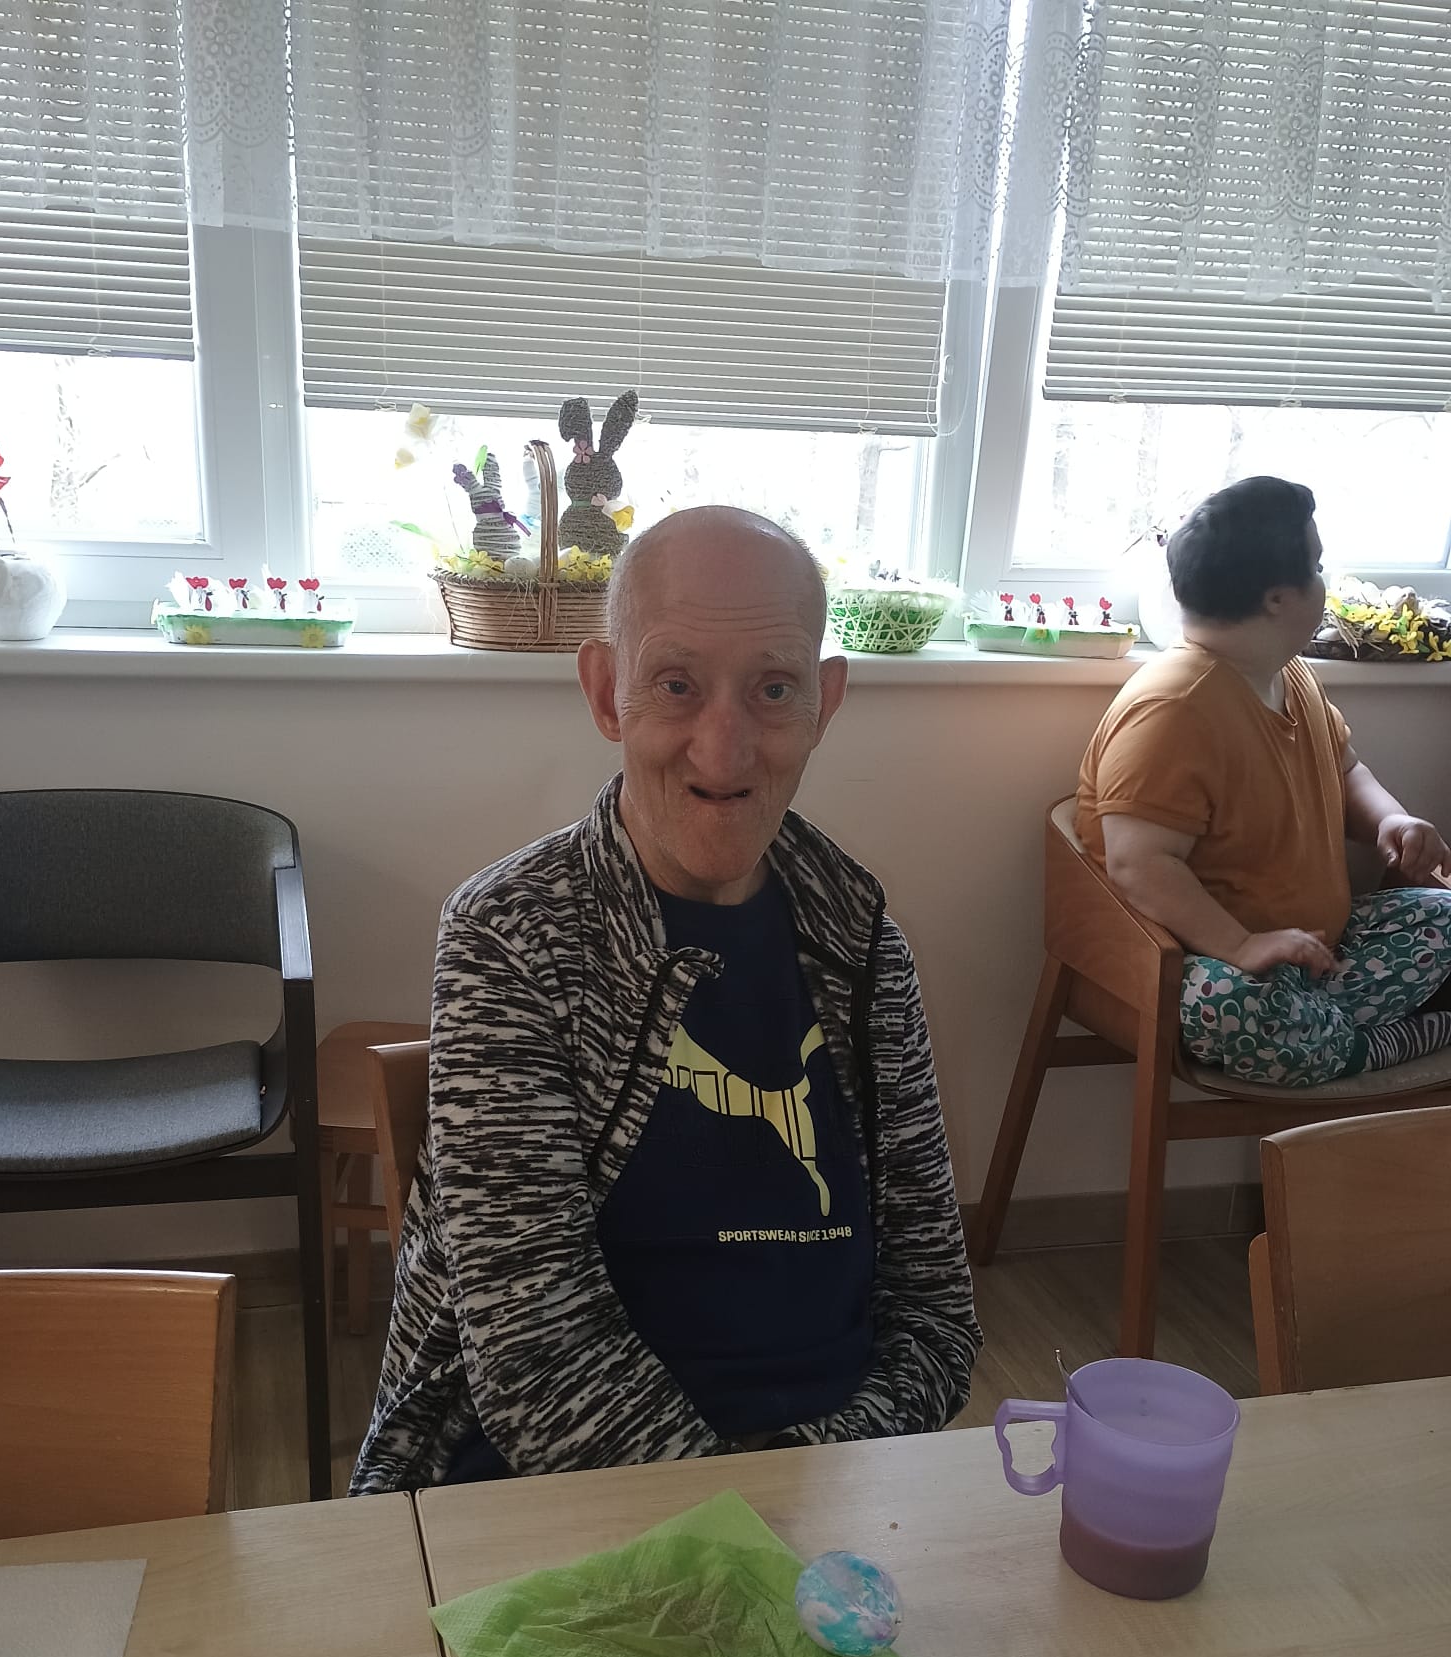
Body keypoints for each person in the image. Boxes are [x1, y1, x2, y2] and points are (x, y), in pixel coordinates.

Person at [352, 506, 980, 1491]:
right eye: (677, 684)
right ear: (608, 692)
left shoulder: (863, 949)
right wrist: (740, 1518)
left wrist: (815, 1479)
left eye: (774, 689)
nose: (724, 753)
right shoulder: (511, 935)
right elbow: (537, 1363)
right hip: (564, 1493)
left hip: (831, 1486)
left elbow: (935, 1313)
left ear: (824, 703)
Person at [1078, 475, 1451, 1087]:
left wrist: (1391, 819)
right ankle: (1371, 1043)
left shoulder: (1290, 674)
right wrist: (1242, 946)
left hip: (1319, 950)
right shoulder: (1175, 706)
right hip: (1206, 963)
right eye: (1318, 566)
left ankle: (1329, 1028)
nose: (1324, 580)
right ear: (1278, 598)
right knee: (1234, 1008)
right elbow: (1137, 864)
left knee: (1444, 915)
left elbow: (1346, 771)